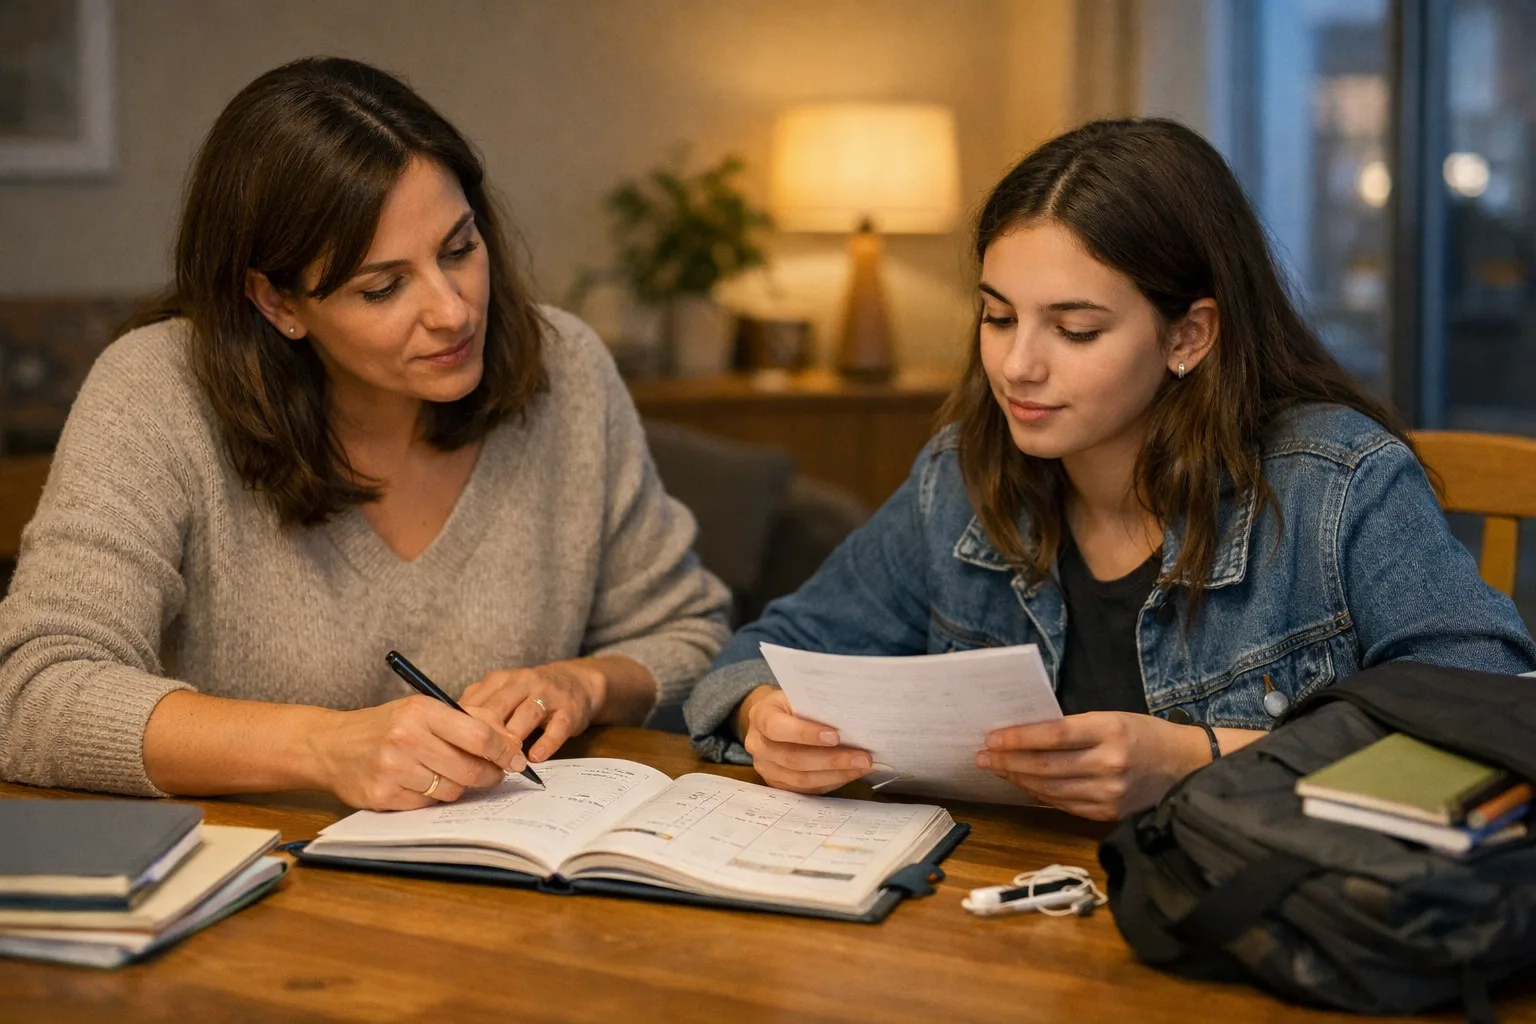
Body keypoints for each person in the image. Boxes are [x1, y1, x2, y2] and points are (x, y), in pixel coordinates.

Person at [684, 117, 1536, 821]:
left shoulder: (1338, 482)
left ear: (1188, 336)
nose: (1018, 366)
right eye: (997, 317)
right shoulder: (961, 475)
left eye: (1075, 330)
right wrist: (765, 715)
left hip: (1261, 923)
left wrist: (1195, 758)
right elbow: (760, 653)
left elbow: (1494, 716)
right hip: (1008, 913)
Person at [0, 57, 730, 810]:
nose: (452, 311)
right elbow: (33, 692)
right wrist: (325, 747)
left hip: (508, 872)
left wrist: (584, 683)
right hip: (254, 869)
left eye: (459, 249)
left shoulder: (566, 367)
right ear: (277, 303)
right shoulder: (158, 389)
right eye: (382, 287)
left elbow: (690, 635)